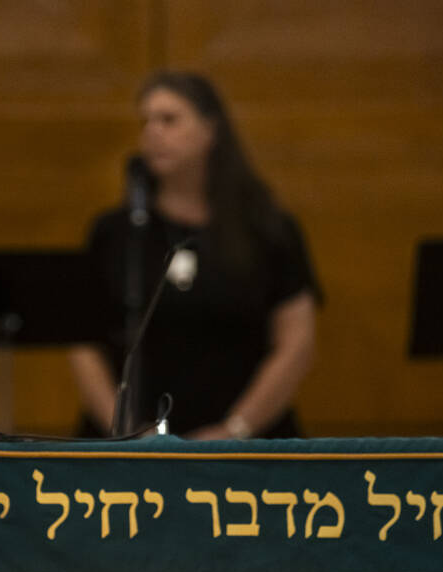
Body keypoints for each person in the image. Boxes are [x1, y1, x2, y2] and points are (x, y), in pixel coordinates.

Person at [70, 71, 319, 439]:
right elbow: (83, 342)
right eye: (146, 121)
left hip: (245, 446)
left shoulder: (267, 228)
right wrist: (128, 432)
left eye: (169, 119)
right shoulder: (117, 232)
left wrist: (235, 430)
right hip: (129, 450)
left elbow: (297, 342)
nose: (152, 132)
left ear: (210, 130)